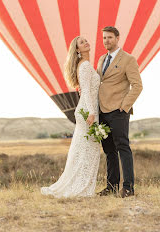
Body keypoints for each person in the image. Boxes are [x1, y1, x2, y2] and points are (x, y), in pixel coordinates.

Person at [40, 36, 100, 198]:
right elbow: (86, 91)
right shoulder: (85, 66)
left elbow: (86, 89)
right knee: (88, 150)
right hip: (88, 112)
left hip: (86, 110)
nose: (86, 42)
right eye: (82, 42)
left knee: (84, 149)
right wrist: (92, 112)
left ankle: (81, 186)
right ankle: (81, 188)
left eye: (86, 40)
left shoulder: (84, 65)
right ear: (78, 50)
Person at [96, 26, 143, 198]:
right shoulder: (101, 59)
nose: (106, 41)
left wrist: (124, 106)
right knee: (109, 150)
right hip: (102, 110)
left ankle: (128, 188)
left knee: (123, 147)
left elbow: (137, 85)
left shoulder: (128, 59)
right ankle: (112, 186)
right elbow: (99, 82)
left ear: (117, 38)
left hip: (118, 110)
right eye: (104, 38)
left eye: (109, 37)